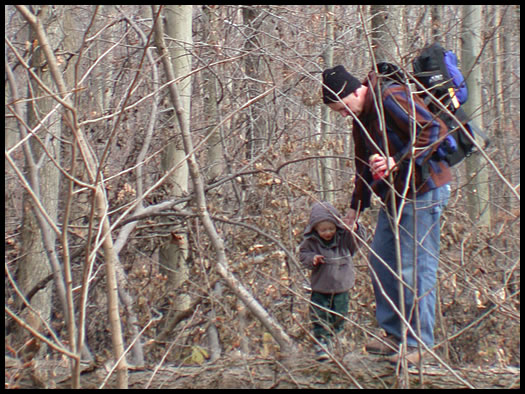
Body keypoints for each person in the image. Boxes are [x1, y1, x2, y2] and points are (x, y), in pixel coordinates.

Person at [321, 65, 451, 365]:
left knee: (414, 267)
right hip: (394, 196)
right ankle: (394, 334)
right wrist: (355, 207)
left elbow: (435, 130)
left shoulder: (390, 95)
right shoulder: (360, 117)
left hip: (425, 189)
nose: (343, 115)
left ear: (356, 91)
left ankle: (419, 344)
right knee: (381, 261)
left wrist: (397, 160)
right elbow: (362, 165)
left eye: (342, 108)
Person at [299, 201, 363, 361]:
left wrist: (355, 230)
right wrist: (312, 259)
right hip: (320, 287)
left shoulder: (343, 239)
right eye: (323, 230)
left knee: (340, 315)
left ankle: (334, 338)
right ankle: (321, 342)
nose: (328, 233)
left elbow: (357, 243)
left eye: (331, 229)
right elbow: (303, 254)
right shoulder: (311, 242)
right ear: (315, 229)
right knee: (319, 315)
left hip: (341, 286)